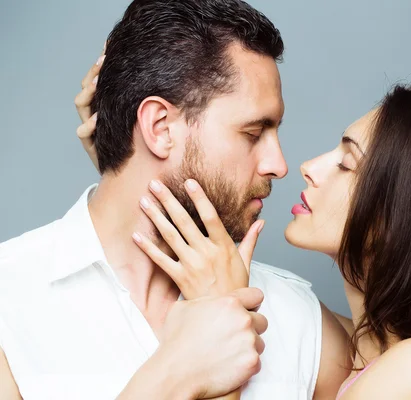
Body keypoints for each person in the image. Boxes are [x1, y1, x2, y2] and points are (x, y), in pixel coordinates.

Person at [77, 75, 411, 398]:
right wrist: (135, 172)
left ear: (404, 216)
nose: (306, 167)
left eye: (347, 163)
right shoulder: (361, 350)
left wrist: (220, 307)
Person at [0, 0, 350, 399]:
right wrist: (176, 375)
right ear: (161, 127)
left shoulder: (297, 316)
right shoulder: (10, 303)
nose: (279, 165)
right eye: (253, 134)